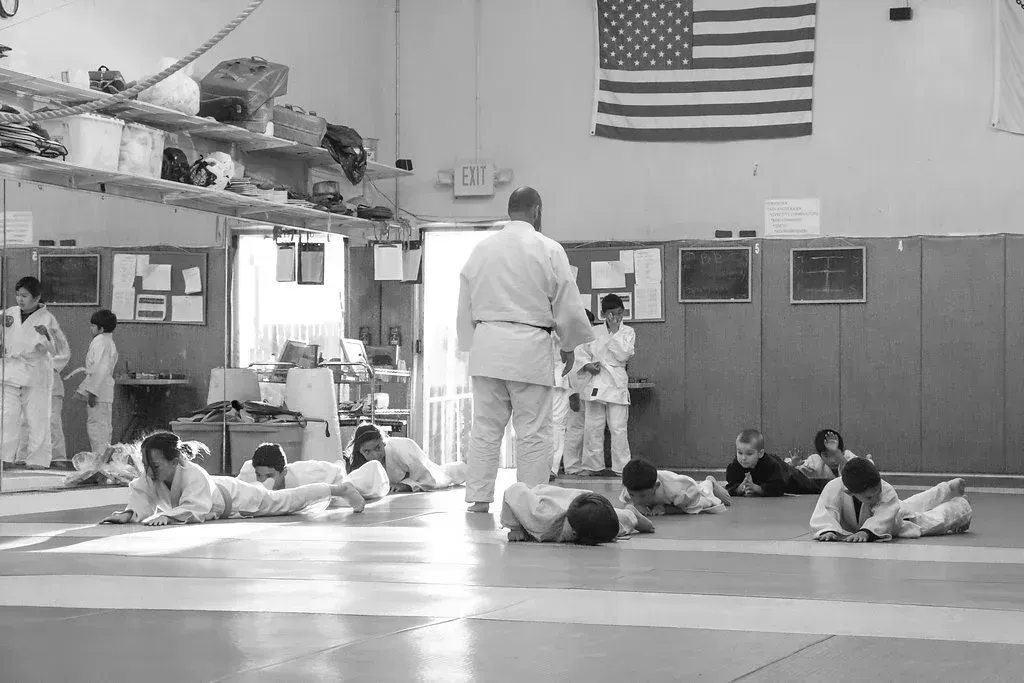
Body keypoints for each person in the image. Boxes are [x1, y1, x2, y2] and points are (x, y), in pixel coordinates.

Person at [457, 186, 594, 512]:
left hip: (487, 346)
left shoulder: (481, 249)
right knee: (533, 431)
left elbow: (465, 302)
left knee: (486, 429)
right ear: (537, 211)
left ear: (510, 211)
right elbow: (567, 300)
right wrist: (570, 343)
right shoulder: (548, 249)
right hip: (529, 349)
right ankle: (531, 500)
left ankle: (478, 499)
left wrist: (469, 345)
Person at [101, 432, 365, 525]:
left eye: (154, 465)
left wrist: (169, 516)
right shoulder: (152, 476)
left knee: (284, 500)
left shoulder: (193, 474)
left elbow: (196, 508)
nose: (148, 471)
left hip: (237, 496)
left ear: (175, 461)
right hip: (223, 496)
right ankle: (334, 488)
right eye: (146, 465)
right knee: (279, 497)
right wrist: (128, 514)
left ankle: (338, 488)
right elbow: (141, 497)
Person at [810, 457, 972, 542]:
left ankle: (961, 506)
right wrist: (828, 530)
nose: (875, 497)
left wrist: (866, 532)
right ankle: (947, 488)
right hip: (898, 507)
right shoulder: (834, 488)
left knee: (934, 520)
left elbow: (883, 515)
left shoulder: (884, 488)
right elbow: (827, 510)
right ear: (850, 492)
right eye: (869, 497)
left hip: (895, 521)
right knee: (915, 502)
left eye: (877, 492)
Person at [1, 276, 64, 469]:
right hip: (10, 370)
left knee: (37, 417)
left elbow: (58, 349)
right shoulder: (8, 314)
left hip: (36, 372)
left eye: (25, 296)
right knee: (7, 416)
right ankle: (5, 457)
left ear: (37, 298)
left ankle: (37, 460)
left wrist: (46, 335)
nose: (20, 299)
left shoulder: (47, 319)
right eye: (18, 295)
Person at [576, 293, 635, 475]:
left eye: (618, 313)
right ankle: (592, 466)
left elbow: (623, 355)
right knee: (593, 426)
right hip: (597, 380)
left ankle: (621, 467)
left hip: (616, 381)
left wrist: (615, 331)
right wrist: (587, 365)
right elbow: (581, 351)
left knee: (618, 427)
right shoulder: (594, 332)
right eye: (611, 314)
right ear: (603, 314)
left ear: (623, 312)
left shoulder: (628, 332)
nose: (615, 317)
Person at [500, 481, 654, 544]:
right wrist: (514, 527)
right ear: (574, 533)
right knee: (614, 526)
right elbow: (515, 489)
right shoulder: (542, 515)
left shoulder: (600, 525)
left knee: (617, 525)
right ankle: (629, 515)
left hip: (582, 503)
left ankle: (631, 513)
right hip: (550, 498)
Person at [237, 441, 390, 502]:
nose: (263, 481)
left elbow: (337, 473)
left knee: (369, 477)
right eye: (259, 475)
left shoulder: (308, 473)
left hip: (334, 478)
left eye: (270, 476)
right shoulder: (248, 474)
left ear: (284, 472)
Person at [347, 423, 466, 493]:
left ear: (383, 442)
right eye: (367, 451)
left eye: (377, 448)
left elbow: (428, 479)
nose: (374, 456)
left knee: (443, 475)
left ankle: (467, 466)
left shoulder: (403, 448)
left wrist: (406, 485)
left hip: (420, 473)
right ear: (359, 451)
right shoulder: (358, 461)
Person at [16, 312, 70, 465]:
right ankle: (23, 457)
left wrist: (48, 367)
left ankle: (57, 458)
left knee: (52, 421)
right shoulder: (20, 331)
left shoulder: (53, 331)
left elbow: (63, 353)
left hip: (50, 383)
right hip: (28, 381)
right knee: (26, 421)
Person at [552, 309, 596, 479]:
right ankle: (555, 466)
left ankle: (554, 466)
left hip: (559, 382)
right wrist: (574, 393)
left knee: (558, 426)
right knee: (559, 426)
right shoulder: (567, 334)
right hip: (561, 382)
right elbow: (570, 365)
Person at [726, 428, 822, 497]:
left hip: (788, 475)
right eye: (739, 452)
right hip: (767, 479)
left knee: (811, 488)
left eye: (749, 454)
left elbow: (778, 488)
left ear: (760, 453)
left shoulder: (770, 465)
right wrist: (740, 487)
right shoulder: (734, 466)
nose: (743, 458)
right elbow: (730, 487)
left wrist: (756, 488)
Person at [74, 309, 119, 455]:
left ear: (101, 328)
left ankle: (100, 462)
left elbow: (100, 369)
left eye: (93, 326)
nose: (91, 328)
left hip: (99, 392)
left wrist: (92, 392)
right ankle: (101, 460)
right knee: (101, 428)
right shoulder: (105, 342)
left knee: (98, 428)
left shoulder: (102, 343)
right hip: (102, 391)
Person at [619, 459, 730, 515]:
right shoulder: (631, 484)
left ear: (656, 486)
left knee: (707, 502)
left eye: (642, 496)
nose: (637, 499)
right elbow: (627, 502)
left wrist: (665, 509)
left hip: (690, 490)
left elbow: (687, 508)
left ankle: (709, 483)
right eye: (633, 495)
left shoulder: (678, 491)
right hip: (663, 488)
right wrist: (636, 506)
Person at [790, 428, 868, 482]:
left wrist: (839, 457)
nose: (832, 460)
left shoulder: (849, 457)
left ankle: (869, 459)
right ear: (819, 455)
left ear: (842, 451)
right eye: (826, 455)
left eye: (835, 454)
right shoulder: (816, 461)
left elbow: (860, 475)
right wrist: (793, 465)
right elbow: (791, 474)